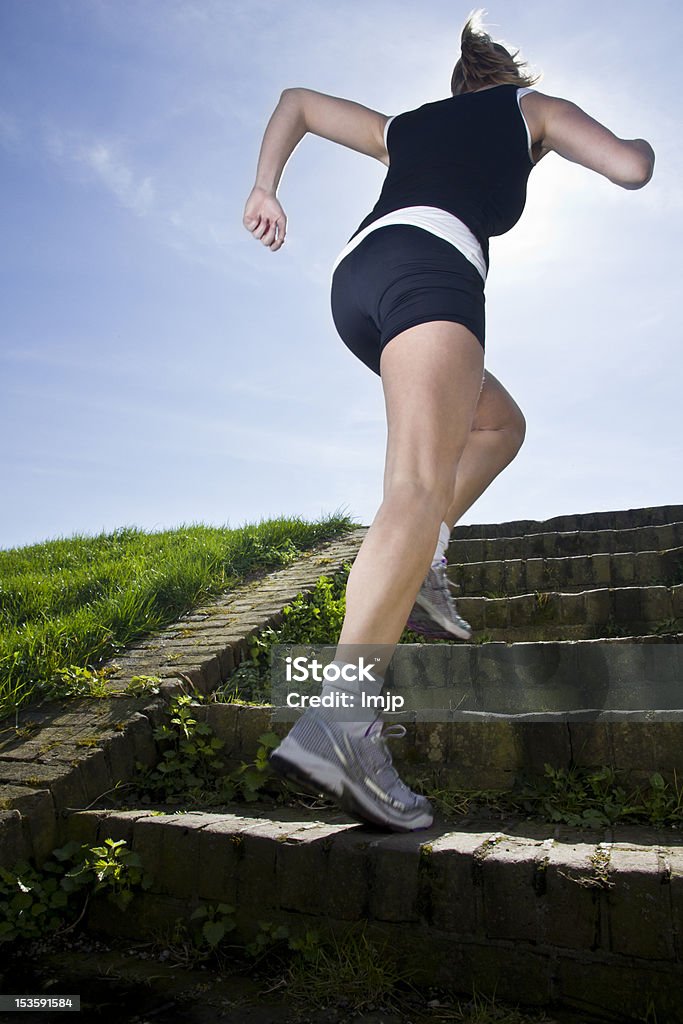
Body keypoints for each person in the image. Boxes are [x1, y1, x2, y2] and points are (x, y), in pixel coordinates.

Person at [243, 12, 655, 831]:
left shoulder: (411, 127)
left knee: (498, 426)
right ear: (506, 77)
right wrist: (625, 142)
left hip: (358, 282)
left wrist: (265, 187)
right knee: (414, 482)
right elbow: (630, 169)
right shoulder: (529, 108)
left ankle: (426, 545)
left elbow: (295, 100)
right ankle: (343, 719)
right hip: (433, 270)